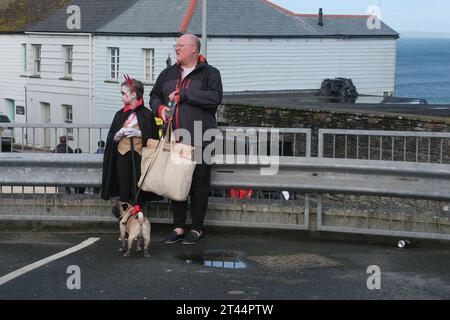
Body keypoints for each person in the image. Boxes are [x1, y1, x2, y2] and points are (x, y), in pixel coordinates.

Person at [150, 34, 223, 245]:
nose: (177, 48)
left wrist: (185, 95)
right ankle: (179, 226)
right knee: (177, 182)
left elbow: (215, 99)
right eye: (176, 45)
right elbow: (154, 96)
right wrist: (160, 108)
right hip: (176, 137)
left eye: (181, 45)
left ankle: (197, 228)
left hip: (202, 137)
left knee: (200, 184)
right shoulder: (168, 73)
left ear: (194, 49)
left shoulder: (210, 73)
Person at [101, 76, 161, 215]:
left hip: (140, 157)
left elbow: (152, 136)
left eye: (124, 93)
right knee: (124, 190)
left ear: (133, 95)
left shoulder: (146, 114)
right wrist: (118, 134)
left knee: (138, 190)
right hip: (122, 157)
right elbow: (111, 138)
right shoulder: (120, 114)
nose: (121, 97)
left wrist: (138, 133)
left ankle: (139, 222)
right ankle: (125, 223)